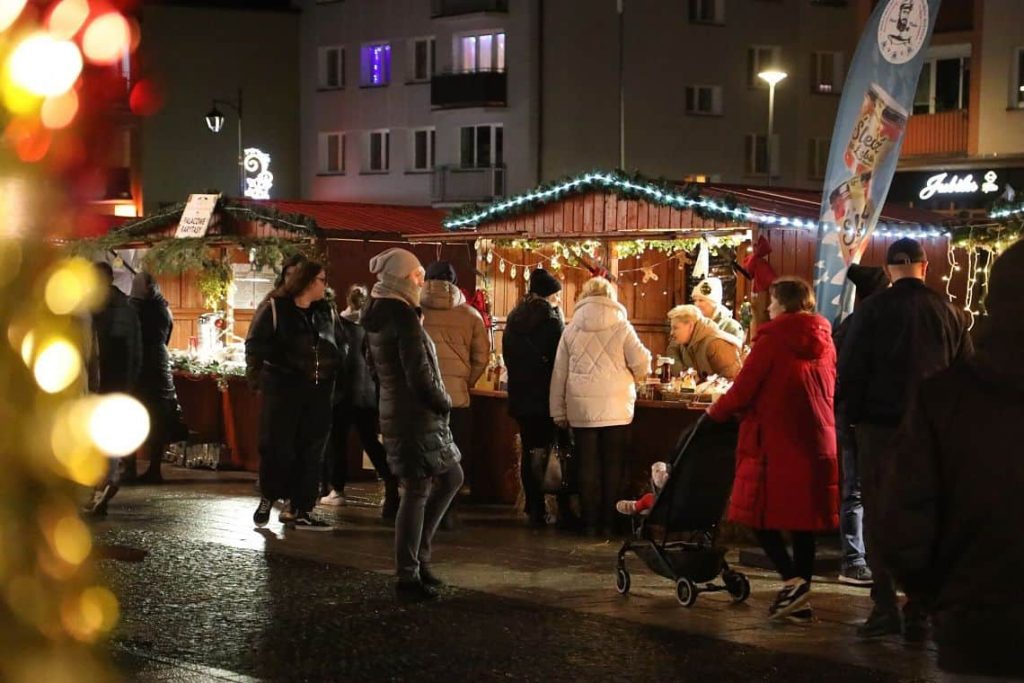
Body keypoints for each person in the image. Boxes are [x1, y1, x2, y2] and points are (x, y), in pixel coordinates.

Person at [880, 240, 1023, 680]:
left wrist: (933, 596)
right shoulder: (947, 325)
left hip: (976, 624)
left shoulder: (944, 398)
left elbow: (904, 517)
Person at [838, 238, 973, 641]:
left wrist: (848, 422)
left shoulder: (871, 311)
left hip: (880, 429)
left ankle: (884, 607)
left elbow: (851, 370)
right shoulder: (949, 313)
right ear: (924, 266)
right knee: (925, 520)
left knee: (879, 516)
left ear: (888, 270)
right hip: (933, 433)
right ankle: (918, 610)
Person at [708, 277, 838, 623]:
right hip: (816, 440)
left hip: (775, 442)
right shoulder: (825, 340)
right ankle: (800, 598)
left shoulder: (772, 340)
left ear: (783, 304)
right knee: (803, 523)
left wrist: (714, 414)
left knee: (756, 515)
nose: (768, 307)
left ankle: (793, 584)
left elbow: (743, 389)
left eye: (773, 301)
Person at [361, 248, 463, 601]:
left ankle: (418, 559)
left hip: (400, 410)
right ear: (401, 279)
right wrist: (443, 400)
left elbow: (373, 366)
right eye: (417, 275)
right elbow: (419, 375)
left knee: (449, 477)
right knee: (418, 490)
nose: (422, 281)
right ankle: (409, 572)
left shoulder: (380, 312)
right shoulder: (401, 316)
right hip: (415, 415)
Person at [550, 276, 651, 537]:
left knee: (586, 466)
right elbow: (642, 362)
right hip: (616, 407)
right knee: (613, 466)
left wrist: (558, 411)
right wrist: (637, 375)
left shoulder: (571, 328)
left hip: (581, 408)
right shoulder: (622, 326)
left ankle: (590, 522)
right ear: (610, 297)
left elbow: (559, 373)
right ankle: (609, 521)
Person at [246, 261, 343, 531]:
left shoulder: (326, 311)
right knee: (277, 447)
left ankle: (300, 508)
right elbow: (255, 345)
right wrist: (260, 380)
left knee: (311, 450)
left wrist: (335, 371)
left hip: (319, 390)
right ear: (308, 282)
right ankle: (269, 496)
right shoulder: (275, 308)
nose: (325, 285)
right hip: (283, 388)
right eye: (321, 279)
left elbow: (339, 342)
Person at [503, 268, 576, 529]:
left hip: (521, 396)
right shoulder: (553, 320)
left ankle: (534, 506)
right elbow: (561, 360)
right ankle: (562, 506)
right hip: (546, 395)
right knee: (556, 450)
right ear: (550, 295)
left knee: (530, 450)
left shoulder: (513, 318)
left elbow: (508, 357)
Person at [420, 260, 490, 529]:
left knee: (423, 454)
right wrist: (464, 381)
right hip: (456, 399)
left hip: (423, 397)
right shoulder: (471, 315)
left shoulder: (414, 310)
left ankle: (420, 511)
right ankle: (448, 511)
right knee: (454, 455)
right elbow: (481, 358)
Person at [832, 264, 889, 587]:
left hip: (852, 415)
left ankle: (856, 559)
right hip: (865, 416)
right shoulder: (871, 325)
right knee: (861, 490)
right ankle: (856, 560)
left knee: (854, 490)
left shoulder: (851, 324)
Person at [319, 295, 400, 522]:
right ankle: (390, 481)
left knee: (338, 441)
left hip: (343, 394)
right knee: (371, 442)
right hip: (368, 394)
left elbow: (335, 358)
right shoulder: (373, 328)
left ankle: (337, 490)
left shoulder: (340, 325)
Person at [83, 262, 143, 515]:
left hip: (105, 382)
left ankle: (101, 486)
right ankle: (101, 486)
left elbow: (132, 351)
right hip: (106, 382)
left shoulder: (100, 309)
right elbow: (135, 351)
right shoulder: (120, 308)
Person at [130, 271, 188, 484]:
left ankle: (130, 468)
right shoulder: (163, 308)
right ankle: (154, 468)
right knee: (158, 417)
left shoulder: (134, 309)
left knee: (134, 413)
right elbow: (167, 336)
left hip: (141, 364)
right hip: (160, 364)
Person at [664, 304, 743, 379]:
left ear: (690, 326)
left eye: (675, 328)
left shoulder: (715, 343)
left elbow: (733, 379)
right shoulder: (688, 343)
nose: (671, 333)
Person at [690, 277, 745, 342]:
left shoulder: (732, 327)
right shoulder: (692, 325)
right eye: (695, 300)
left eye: (701, 300)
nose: (697, 304)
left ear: (713, 303)